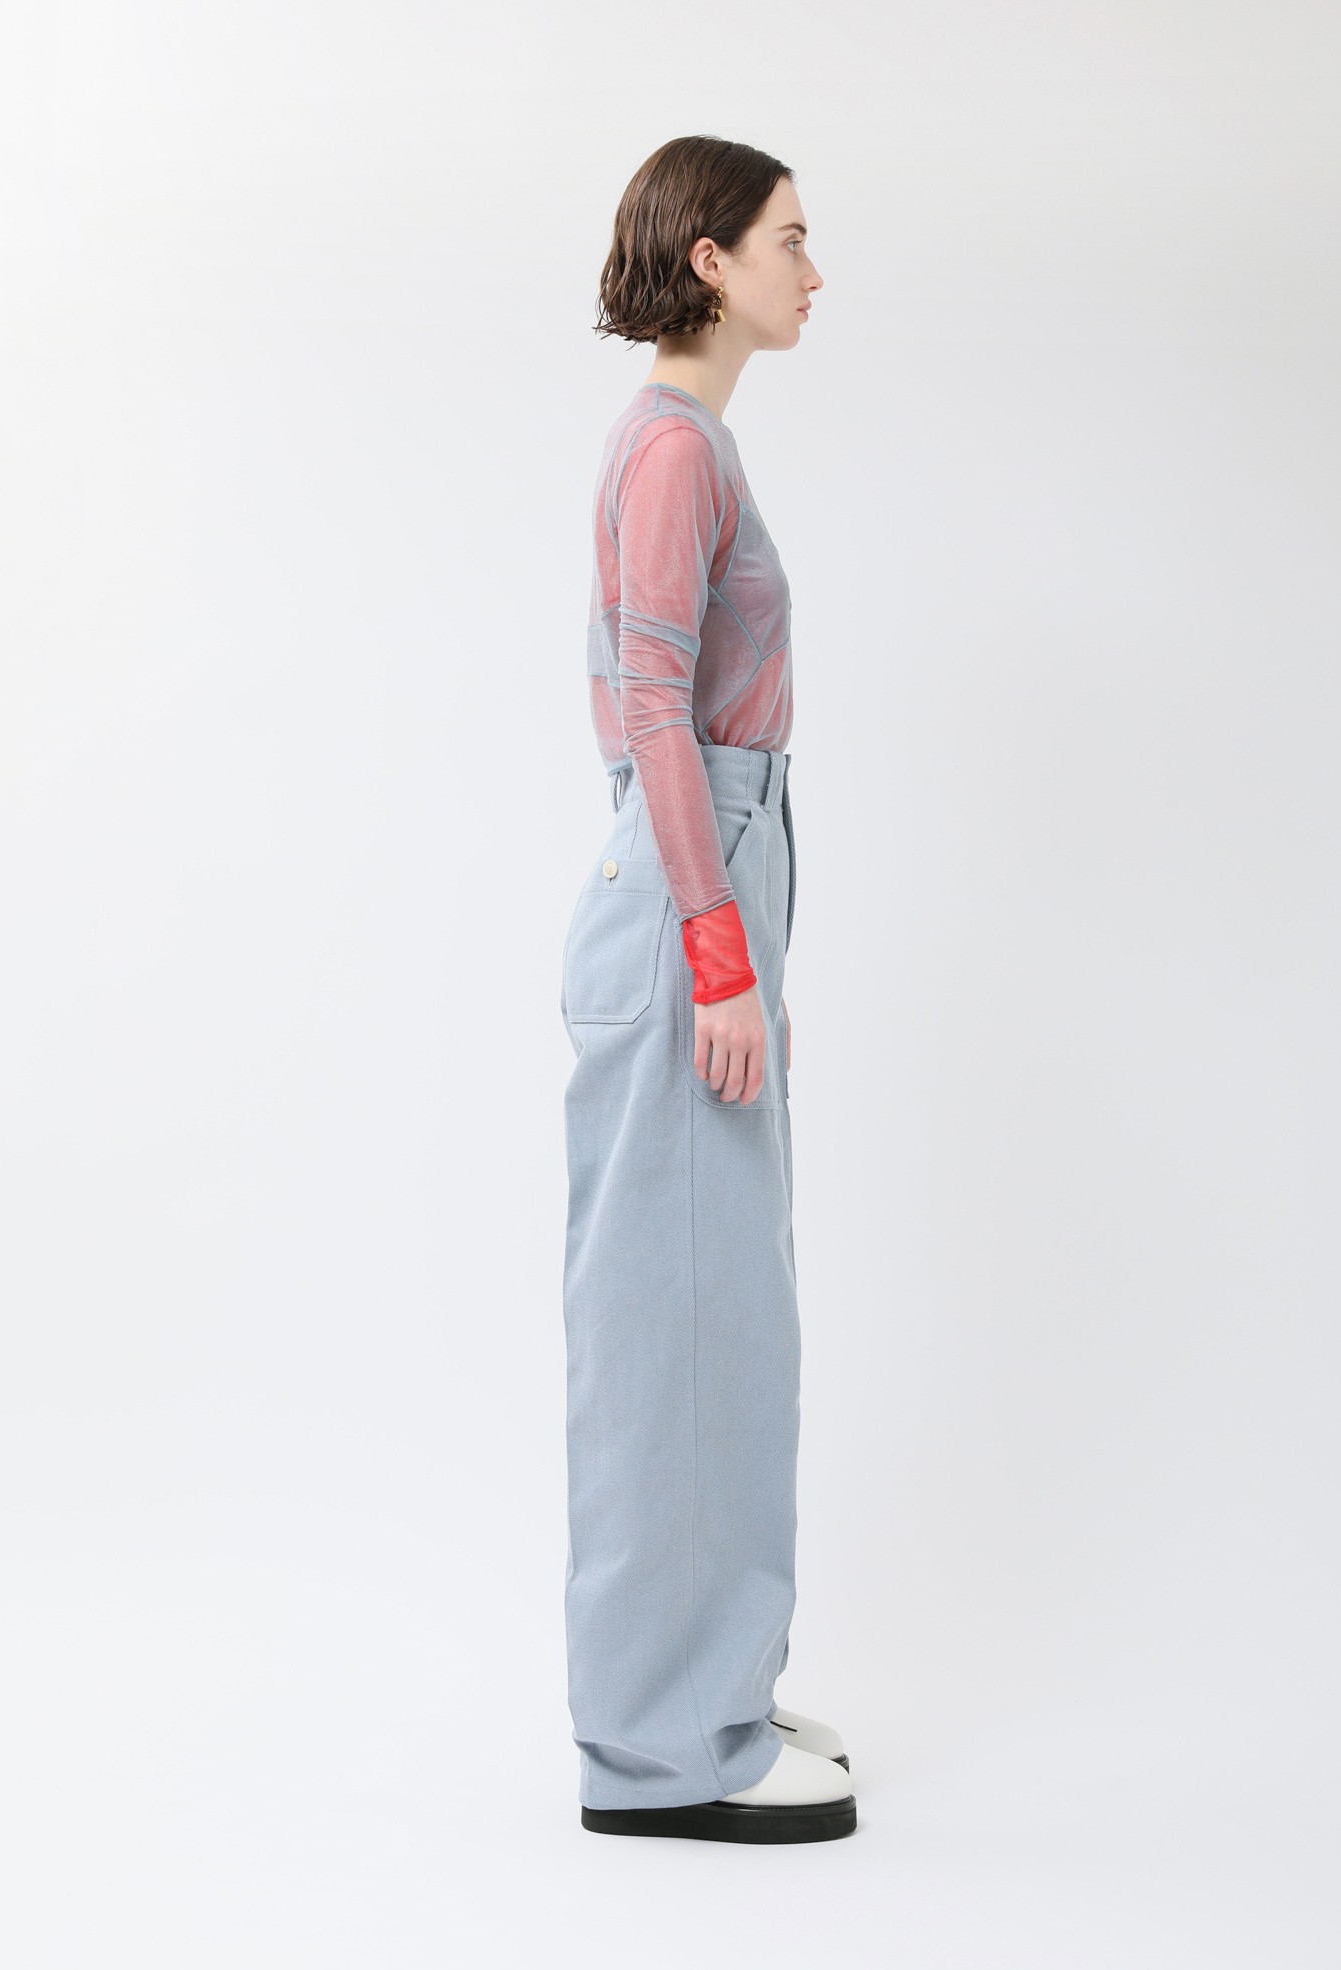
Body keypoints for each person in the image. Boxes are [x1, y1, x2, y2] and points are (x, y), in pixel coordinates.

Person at [558, 136, 854, 1845]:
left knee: (720, 1321)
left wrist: (742, 942)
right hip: (690, 895)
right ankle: (669, 1748)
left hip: (703, 886)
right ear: (711, 262)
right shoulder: (674, 448)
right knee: (677, 1335)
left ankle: (707, 1689)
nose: (815, 271)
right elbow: (657, 710)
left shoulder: (687, 442)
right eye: (791, 240)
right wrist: (719, 949)